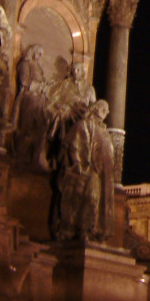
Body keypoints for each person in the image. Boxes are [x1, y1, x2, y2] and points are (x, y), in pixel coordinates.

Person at [55, 100, 114, 241]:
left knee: (93, 201)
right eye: (104, 108)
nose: (107, 112)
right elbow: (73, 145)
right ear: (96, 109)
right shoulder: (84, 125)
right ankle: (82, 230)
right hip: (87, 170)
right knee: (89, 199)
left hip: (101, 174)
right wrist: (78, 166)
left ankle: (90, 230)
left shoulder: (103, 130)